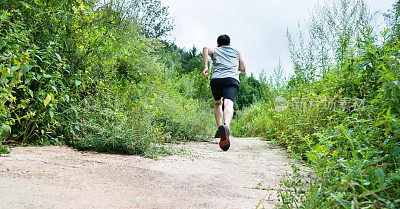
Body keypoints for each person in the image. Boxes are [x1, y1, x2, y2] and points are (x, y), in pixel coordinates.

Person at [202, 34, 246, 151]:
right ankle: (226, 126)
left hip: (216, 80)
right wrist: (232, 66)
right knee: (228, 103)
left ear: (218, 44)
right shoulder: (236, 50)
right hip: (231, 79)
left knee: (218, 103)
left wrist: (206, 67)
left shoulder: (216, 50)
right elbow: (242, 68)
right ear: (229, 44)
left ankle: (220, 129)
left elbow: (205, 48)